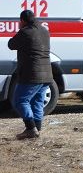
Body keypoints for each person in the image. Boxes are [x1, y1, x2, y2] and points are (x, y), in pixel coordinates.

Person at [7, 10, 51, 139]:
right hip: (47, 74)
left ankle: (30, 128)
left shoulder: (25, 32)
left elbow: (11, 44)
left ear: (23, 21)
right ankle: (37, 129)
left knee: (20, 101)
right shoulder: (44, 31)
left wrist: (20, 30)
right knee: (38, 101)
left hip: (32, 74)